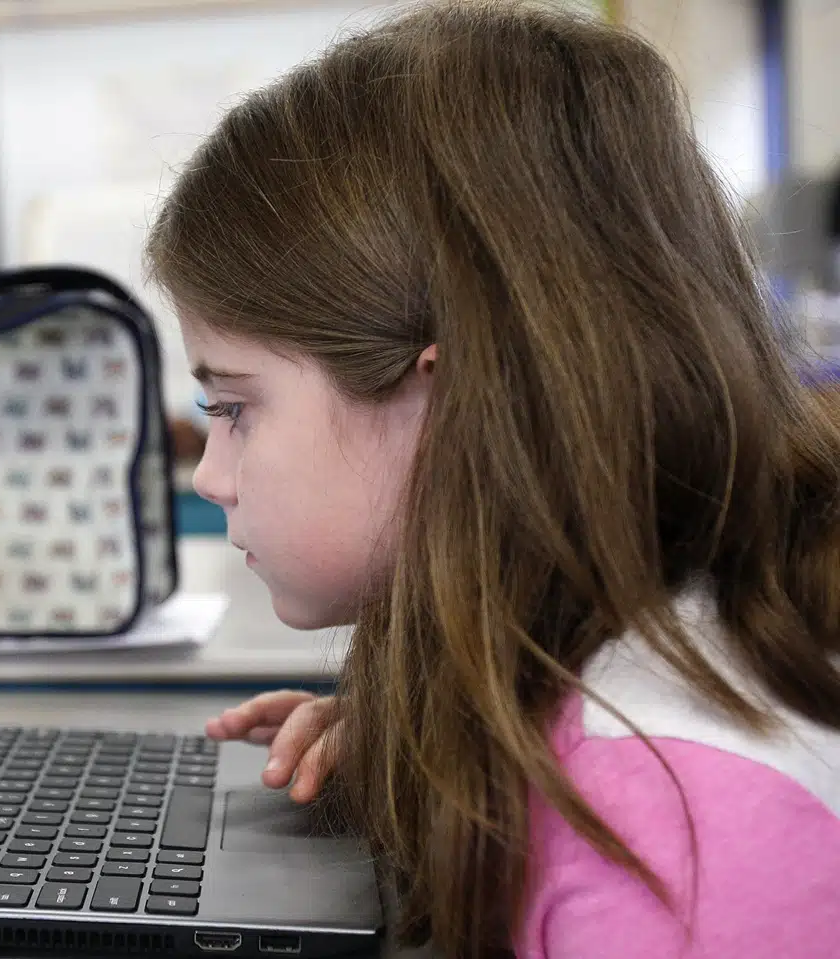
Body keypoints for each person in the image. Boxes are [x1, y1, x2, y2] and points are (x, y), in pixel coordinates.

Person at [144, 3, 840, 958]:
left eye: (234, 407)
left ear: (445, 399)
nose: (212, 476)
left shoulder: (667, 842)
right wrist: (421, 740)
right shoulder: (639, 666)